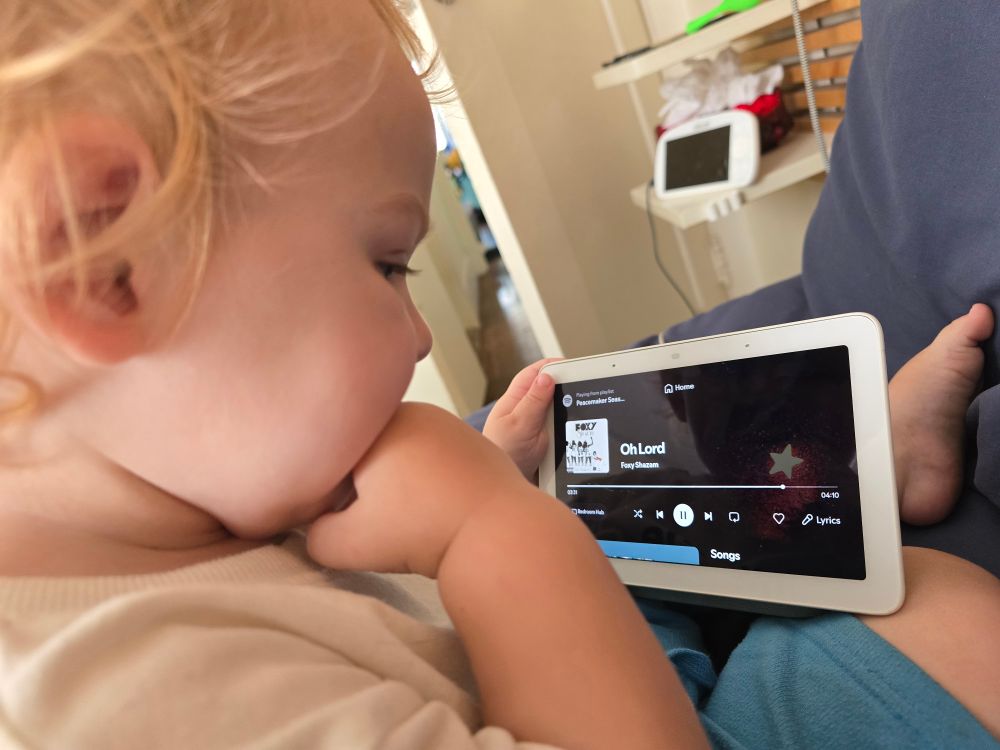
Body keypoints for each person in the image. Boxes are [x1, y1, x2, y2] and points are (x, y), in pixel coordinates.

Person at [0, 3, 995, 750]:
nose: (421, 338)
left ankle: (864, 457)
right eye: (387, 262)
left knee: (610, 490)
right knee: (934, 612)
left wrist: (489, 476)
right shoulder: (135, 708)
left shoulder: (166, 482)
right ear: (106, 264)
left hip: (511, 659)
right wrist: (488, 526)